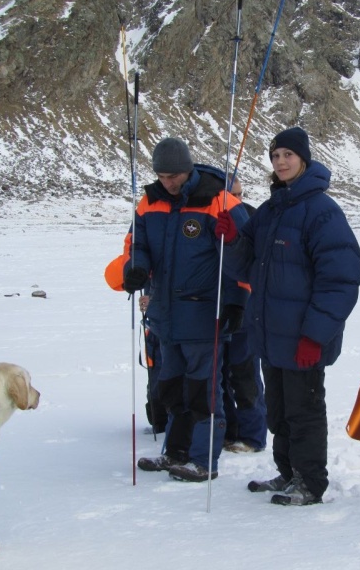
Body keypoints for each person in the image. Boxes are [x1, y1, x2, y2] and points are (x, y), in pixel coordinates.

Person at [215, 127, 360, 505]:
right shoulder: (268, 212)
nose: (281, 162)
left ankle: (310, 483)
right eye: (275, 155)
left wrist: (315, 335)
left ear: (304, 160)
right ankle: (287, 472)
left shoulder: (322, 212)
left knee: (305, 411)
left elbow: (342, 279)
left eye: (288, 155)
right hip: (271, 335)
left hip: (303, 339)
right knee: (279, 411)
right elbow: (246, 268)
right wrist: (231, 240)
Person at [123, 137, 249, 482]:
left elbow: (244, 254)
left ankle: (203, 459)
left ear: (188, 168)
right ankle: (174, 453)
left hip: (203, 314)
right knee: (172, 388)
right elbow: (138, 243)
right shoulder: (149, 202)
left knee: (202, 391)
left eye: (174, 175)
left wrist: (238, 301)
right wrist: (135, 267)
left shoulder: (217, 200)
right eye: (162, 176)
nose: (168, 182)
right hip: (165, 317)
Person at [220, 177, 267, 454]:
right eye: (231, 194)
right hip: (216, 309)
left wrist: (244, 299)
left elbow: (255, 264)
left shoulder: (250, 216)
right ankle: (229, 429)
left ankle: (253, 435)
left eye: (239, 193)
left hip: (246, 311)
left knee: (245, 372)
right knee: (221, 373)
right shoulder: (214, 217)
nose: (237, 198)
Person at [104, 240, 168, 435]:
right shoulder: (145, 244)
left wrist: (155, 300)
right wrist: (135, 270)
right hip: (156, 327)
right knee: (157, 371)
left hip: (178, 323)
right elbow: (112, 277)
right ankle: (161, 422)